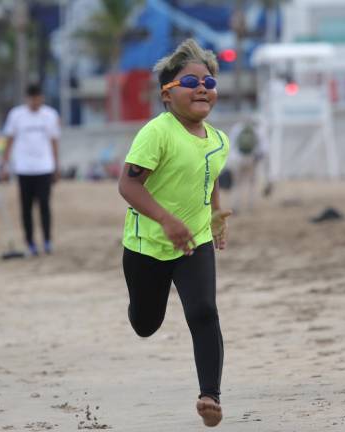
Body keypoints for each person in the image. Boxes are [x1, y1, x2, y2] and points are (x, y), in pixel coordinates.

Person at [117, 39, 232, 427]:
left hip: (194, 242)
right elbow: (129, 186)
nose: (203, 87)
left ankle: (210, 396)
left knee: (204, 311)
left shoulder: (219, 141)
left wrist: (215, 218)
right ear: (167, 95)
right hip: (146, 245)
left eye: (209, 82)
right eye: (191, 81)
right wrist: (166, 220)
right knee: (146, 324)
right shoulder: (157, 133)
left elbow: (209, 176)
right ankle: (138, 308)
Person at [1, 83, 61, 256]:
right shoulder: (16, 115)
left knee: (44, 206)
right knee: (26, 208)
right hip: (24, 168)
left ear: (41, 98)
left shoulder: (50, 115)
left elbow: (54, 141)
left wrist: (56, 166)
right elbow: (9, 140)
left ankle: (47, 241)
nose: (35, 102)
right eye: (32, 98)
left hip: (44, 167)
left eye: (38, 98)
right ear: (27, 98)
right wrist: (4, 164)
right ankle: (30, 243)